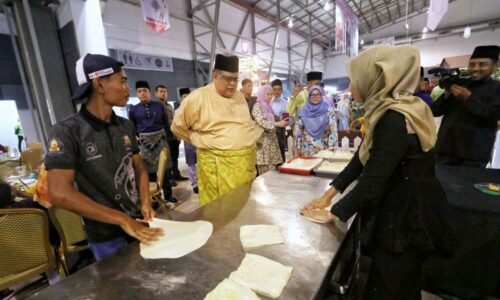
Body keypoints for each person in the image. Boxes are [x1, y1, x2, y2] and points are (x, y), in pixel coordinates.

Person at [301, 45, 457, 300]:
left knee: (392, 285)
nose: (352, 87)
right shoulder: (393, 109)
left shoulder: (394, 118)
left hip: (406, 215)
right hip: (405, 203)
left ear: (377, 79)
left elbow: (372, 181)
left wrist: (334, 213)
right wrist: (329, 194)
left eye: (355, 80)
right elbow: (361, 158)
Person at [45, 54, 163, 260]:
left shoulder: (125, 126)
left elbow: (140, 169)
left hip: (139, 225)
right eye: (123, 81)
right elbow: (59, 193)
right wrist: (121, 219)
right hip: (106, 237)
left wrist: (145, 203)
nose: (128, 88)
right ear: (99, 84)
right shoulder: (67, 132)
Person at [171, 54, 260, 206]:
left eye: (235, 79)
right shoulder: (198, 97)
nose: (232, 84)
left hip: (245, 165)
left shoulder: (239, 96)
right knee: (220, 212)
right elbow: (177, 127)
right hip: (217, 167)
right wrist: (196, 139)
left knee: (243, 208)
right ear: (214, 75)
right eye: (227, 79)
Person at [432, 45, 500, 168]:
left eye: (482, 64)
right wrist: (447, 94)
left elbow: (492, 114)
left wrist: (468, 97)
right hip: (444, 150)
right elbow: (435, 111)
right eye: (472, 64)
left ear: (495, 66)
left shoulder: (497, 88)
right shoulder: (461, 84)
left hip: (473, 155)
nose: (475, 68)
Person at [129, 80, 177, 204]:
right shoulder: (133, 110)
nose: (142, 94)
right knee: (149, 172)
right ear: (137, 94)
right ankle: (155, 197)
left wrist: (170, 137)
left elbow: (166, 124)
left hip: (161, 139)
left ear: (150, 92)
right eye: (139, 92)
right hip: (144, 144)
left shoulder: (159, 106)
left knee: (165, 170)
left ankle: (168, 195)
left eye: (145, 91)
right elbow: (133, 128)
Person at [155, 84, 188, 184]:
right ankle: (169, 179)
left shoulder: (169, 106)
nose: (163, 93)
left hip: (173, 136)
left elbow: (174, 120)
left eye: (164, 91)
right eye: (160, 91)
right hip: (164, 137)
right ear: (156, 93)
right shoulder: (155, 107)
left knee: (174, 157)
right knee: (167, 159)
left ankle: (176, 174)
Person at [252, 85, 287, 175]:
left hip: (271, 143)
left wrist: (281, 121)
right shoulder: (257, 106)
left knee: (272, 172)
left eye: (271, 94)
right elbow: (261, 122)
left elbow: (271, 120)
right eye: (268, 94)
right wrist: (277, 124)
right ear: (262, 94)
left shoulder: (268, 107)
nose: (270, 96)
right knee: (264, 174)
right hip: (263, 143)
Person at [296, 86, 338, 157]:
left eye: (318, 94)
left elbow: (333, 130)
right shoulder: (302, 112)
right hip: (306, 149)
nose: (315, 97)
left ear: (321, 96)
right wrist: (298, 147)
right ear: (309, 96)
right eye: (312, 94)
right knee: (307, 167)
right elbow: (298, 131)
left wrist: (332, 147)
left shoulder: (328, 110)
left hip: (323, 148)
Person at [179, 87, 199, 194]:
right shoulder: (179, 112)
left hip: (199, 139)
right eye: (184, 97)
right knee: (191, 164)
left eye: (188, 96)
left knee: (201, 161)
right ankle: (194, 184)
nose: (186, 99)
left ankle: (203, 181)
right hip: (188, 140)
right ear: (180, 98)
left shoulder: (196, 109)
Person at [270, 79, 293, 161]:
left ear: (282, 90)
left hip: (280, 132)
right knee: (270, 156)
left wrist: (279, 119)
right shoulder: (268, 102)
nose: (277, 92)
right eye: (275, 89)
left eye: (279, 89)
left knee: (280, 155)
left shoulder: (284, 103)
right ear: (271, 90)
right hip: (268, 132)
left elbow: (286, 120)